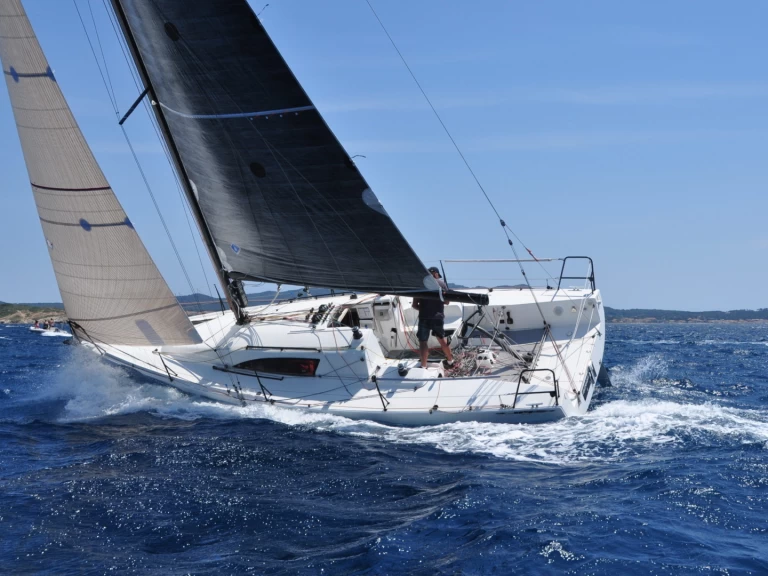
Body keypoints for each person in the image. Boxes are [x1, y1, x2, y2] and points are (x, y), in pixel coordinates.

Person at [412, 267, 455, 369]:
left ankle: (423, 366)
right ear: (436, 274)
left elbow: (414, 305)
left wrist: (424, 309)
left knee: (423, 342)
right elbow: (447, 302)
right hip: (437, 317)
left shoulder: (421, 285)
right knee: (442, 339)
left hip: (424, 317)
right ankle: (450, 361)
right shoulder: (442, 284)